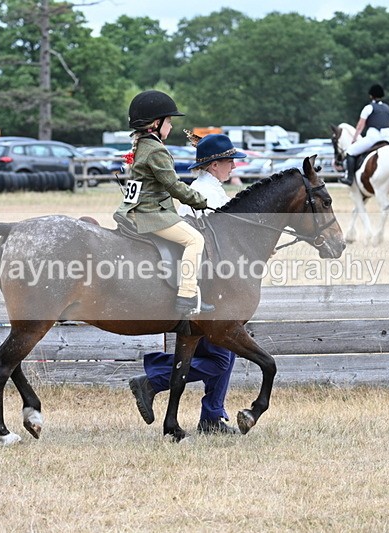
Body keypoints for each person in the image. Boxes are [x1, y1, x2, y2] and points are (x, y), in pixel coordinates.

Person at [129, 133, 246, 434]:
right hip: (205, 284)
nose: (234, 165)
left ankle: (211, 414)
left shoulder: (213, 189)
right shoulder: (205, 193)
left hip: (210, 281)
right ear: (215, 164)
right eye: (229, 161)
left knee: (224, 353)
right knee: (221, 358)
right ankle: (156, 378)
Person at [114, 89, 213, 316]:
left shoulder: (141, 145)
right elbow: (173, 185)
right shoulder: (156, 150)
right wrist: (200, 201)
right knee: (195, 240)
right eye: (169, 121)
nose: (171, 126)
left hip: (136, 209)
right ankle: (187, 297)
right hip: (150, 213)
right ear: (156, 123)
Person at [339, 84, 389, 186]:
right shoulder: (387, 108)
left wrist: (354, 139)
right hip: (388, 138)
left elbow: (360, 126)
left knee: (350, 151)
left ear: (371, 96)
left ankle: (349, 178)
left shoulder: (369, 108)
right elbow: (388, 122)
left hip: (374, 137)